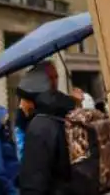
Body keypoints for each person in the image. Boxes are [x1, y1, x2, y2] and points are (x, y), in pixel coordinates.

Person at [17, 61, 78, 195]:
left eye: (22, 98)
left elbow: (33, 184)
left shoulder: (39, 126)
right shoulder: (68, 111)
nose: (20, 105)